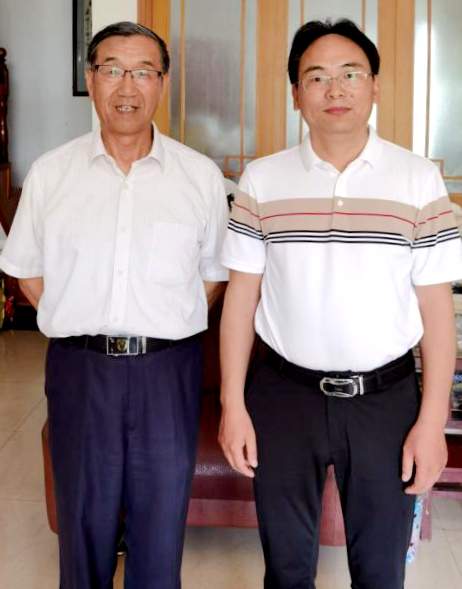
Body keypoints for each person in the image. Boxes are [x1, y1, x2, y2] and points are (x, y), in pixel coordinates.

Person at [219, 18, 462, 589]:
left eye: (351, 74)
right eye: (317, 76)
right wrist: (233, 404)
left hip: (385, 400)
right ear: (296, 94)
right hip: (283, 396)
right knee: (286, 567)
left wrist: (432, 423)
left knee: (379, 571)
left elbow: (436, 314)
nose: (335, 89)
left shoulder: (418, 180)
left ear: (375, 85)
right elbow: (240, 301)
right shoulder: (262, 179)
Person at [0, 21, 228, 589]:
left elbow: (212, 278)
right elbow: (27, 272)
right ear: (91, 78)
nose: (127, 86)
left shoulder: (199, 176)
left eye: (143, 71)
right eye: (112, 70)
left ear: (163, 82)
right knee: (83, 523)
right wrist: (83, 320)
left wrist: (156, 322)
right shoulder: (52, 174)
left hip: (167, 371)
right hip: (80, 369)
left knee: (160, 526)